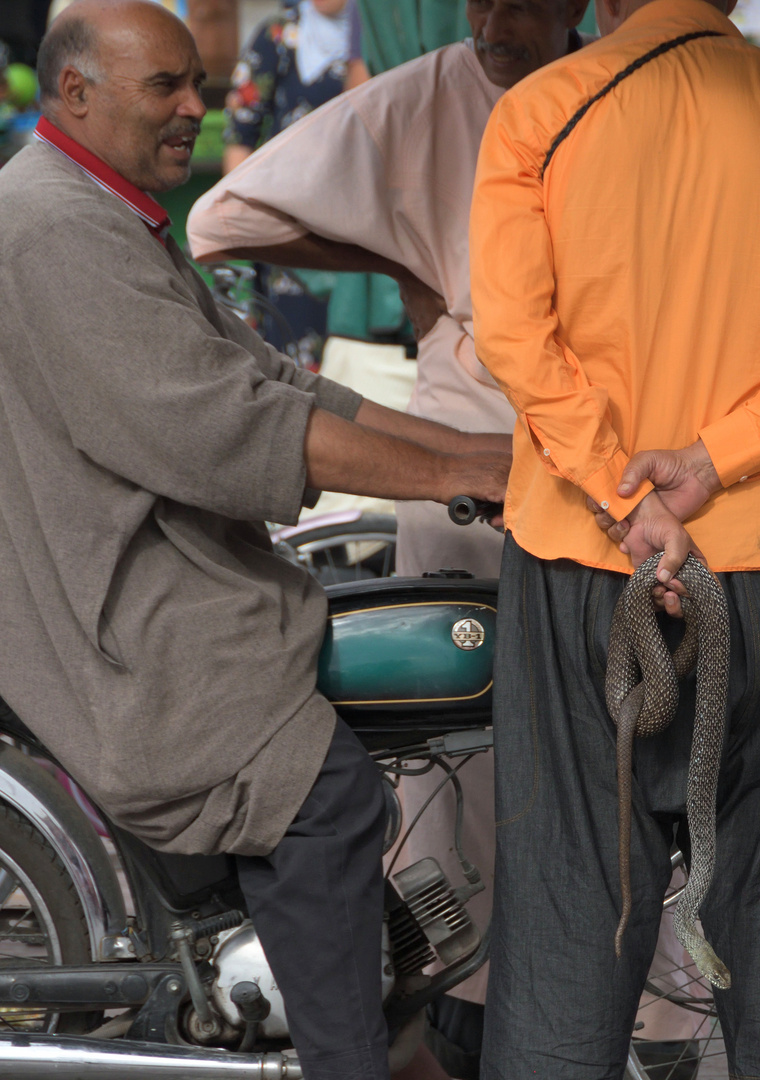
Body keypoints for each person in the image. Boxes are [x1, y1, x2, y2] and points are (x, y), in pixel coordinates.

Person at [0, 4, 510, 1078]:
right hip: (123, 615)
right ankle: (347, 1062)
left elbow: (274, 378)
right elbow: (221, 426)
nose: (196, 107)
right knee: (327, 798)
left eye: (197, 83)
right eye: (164, 88)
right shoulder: (53, 228)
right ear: (76, 93)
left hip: (152, 575)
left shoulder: (104, 210)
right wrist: (458, 475)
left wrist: (472, 452)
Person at [467, 0, 760, 1070]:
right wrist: (709, 462)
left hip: (584, 556)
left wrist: (633, 501)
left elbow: (513, 339)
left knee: (574, 909)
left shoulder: (540, 113)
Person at [187, 0, 589, 1057]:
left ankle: (603, 1006)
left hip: (603, 458)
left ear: (578, 9)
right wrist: (406, 261)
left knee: (596, 745)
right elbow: (221, 218)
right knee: (461, 752)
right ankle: (457, 1005)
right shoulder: (427, 96)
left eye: (527, 0)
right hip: (465, 452)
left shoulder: (619, 92)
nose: (499, 17)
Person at [219, 0, 350, 367]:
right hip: (285, 227)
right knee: (288, 357)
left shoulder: (371, 39)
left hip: (355, 229)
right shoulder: (276, 36)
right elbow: (240, 134)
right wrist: (242, 224)